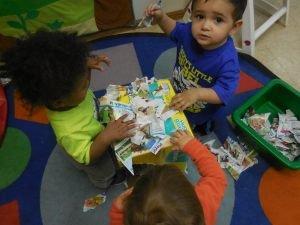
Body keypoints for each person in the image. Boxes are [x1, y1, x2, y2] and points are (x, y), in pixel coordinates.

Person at [3, 30, 135, 189]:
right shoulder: (69, 132)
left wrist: (85, 65)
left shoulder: (63, 91)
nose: (88, 80)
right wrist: (105, 137)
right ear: (59, 102)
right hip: (89, 150)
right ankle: (105, 181)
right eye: (84, 86)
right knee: (104, 169)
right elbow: (88, 157)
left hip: (94, 126)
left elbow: (76, 75)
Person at [145, 0, 247, 128]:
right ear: (191, 14)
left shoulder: (227, 61)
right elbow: (173, 29)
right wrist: (160, 17)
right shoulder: (188, 32)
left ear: (234, 27)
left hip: (198, 110)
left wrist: (197, 94)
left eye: (218, 20)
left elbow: (224, 92)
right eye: (200, 16)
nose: (205, 26)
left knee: (189, 125)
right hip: (177, 89)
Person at [109, 130, 227, 225]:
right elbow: (217, 176)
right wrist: (192, 145)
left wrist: (118, 214)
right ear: (189, 191)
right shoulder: (205, 202)